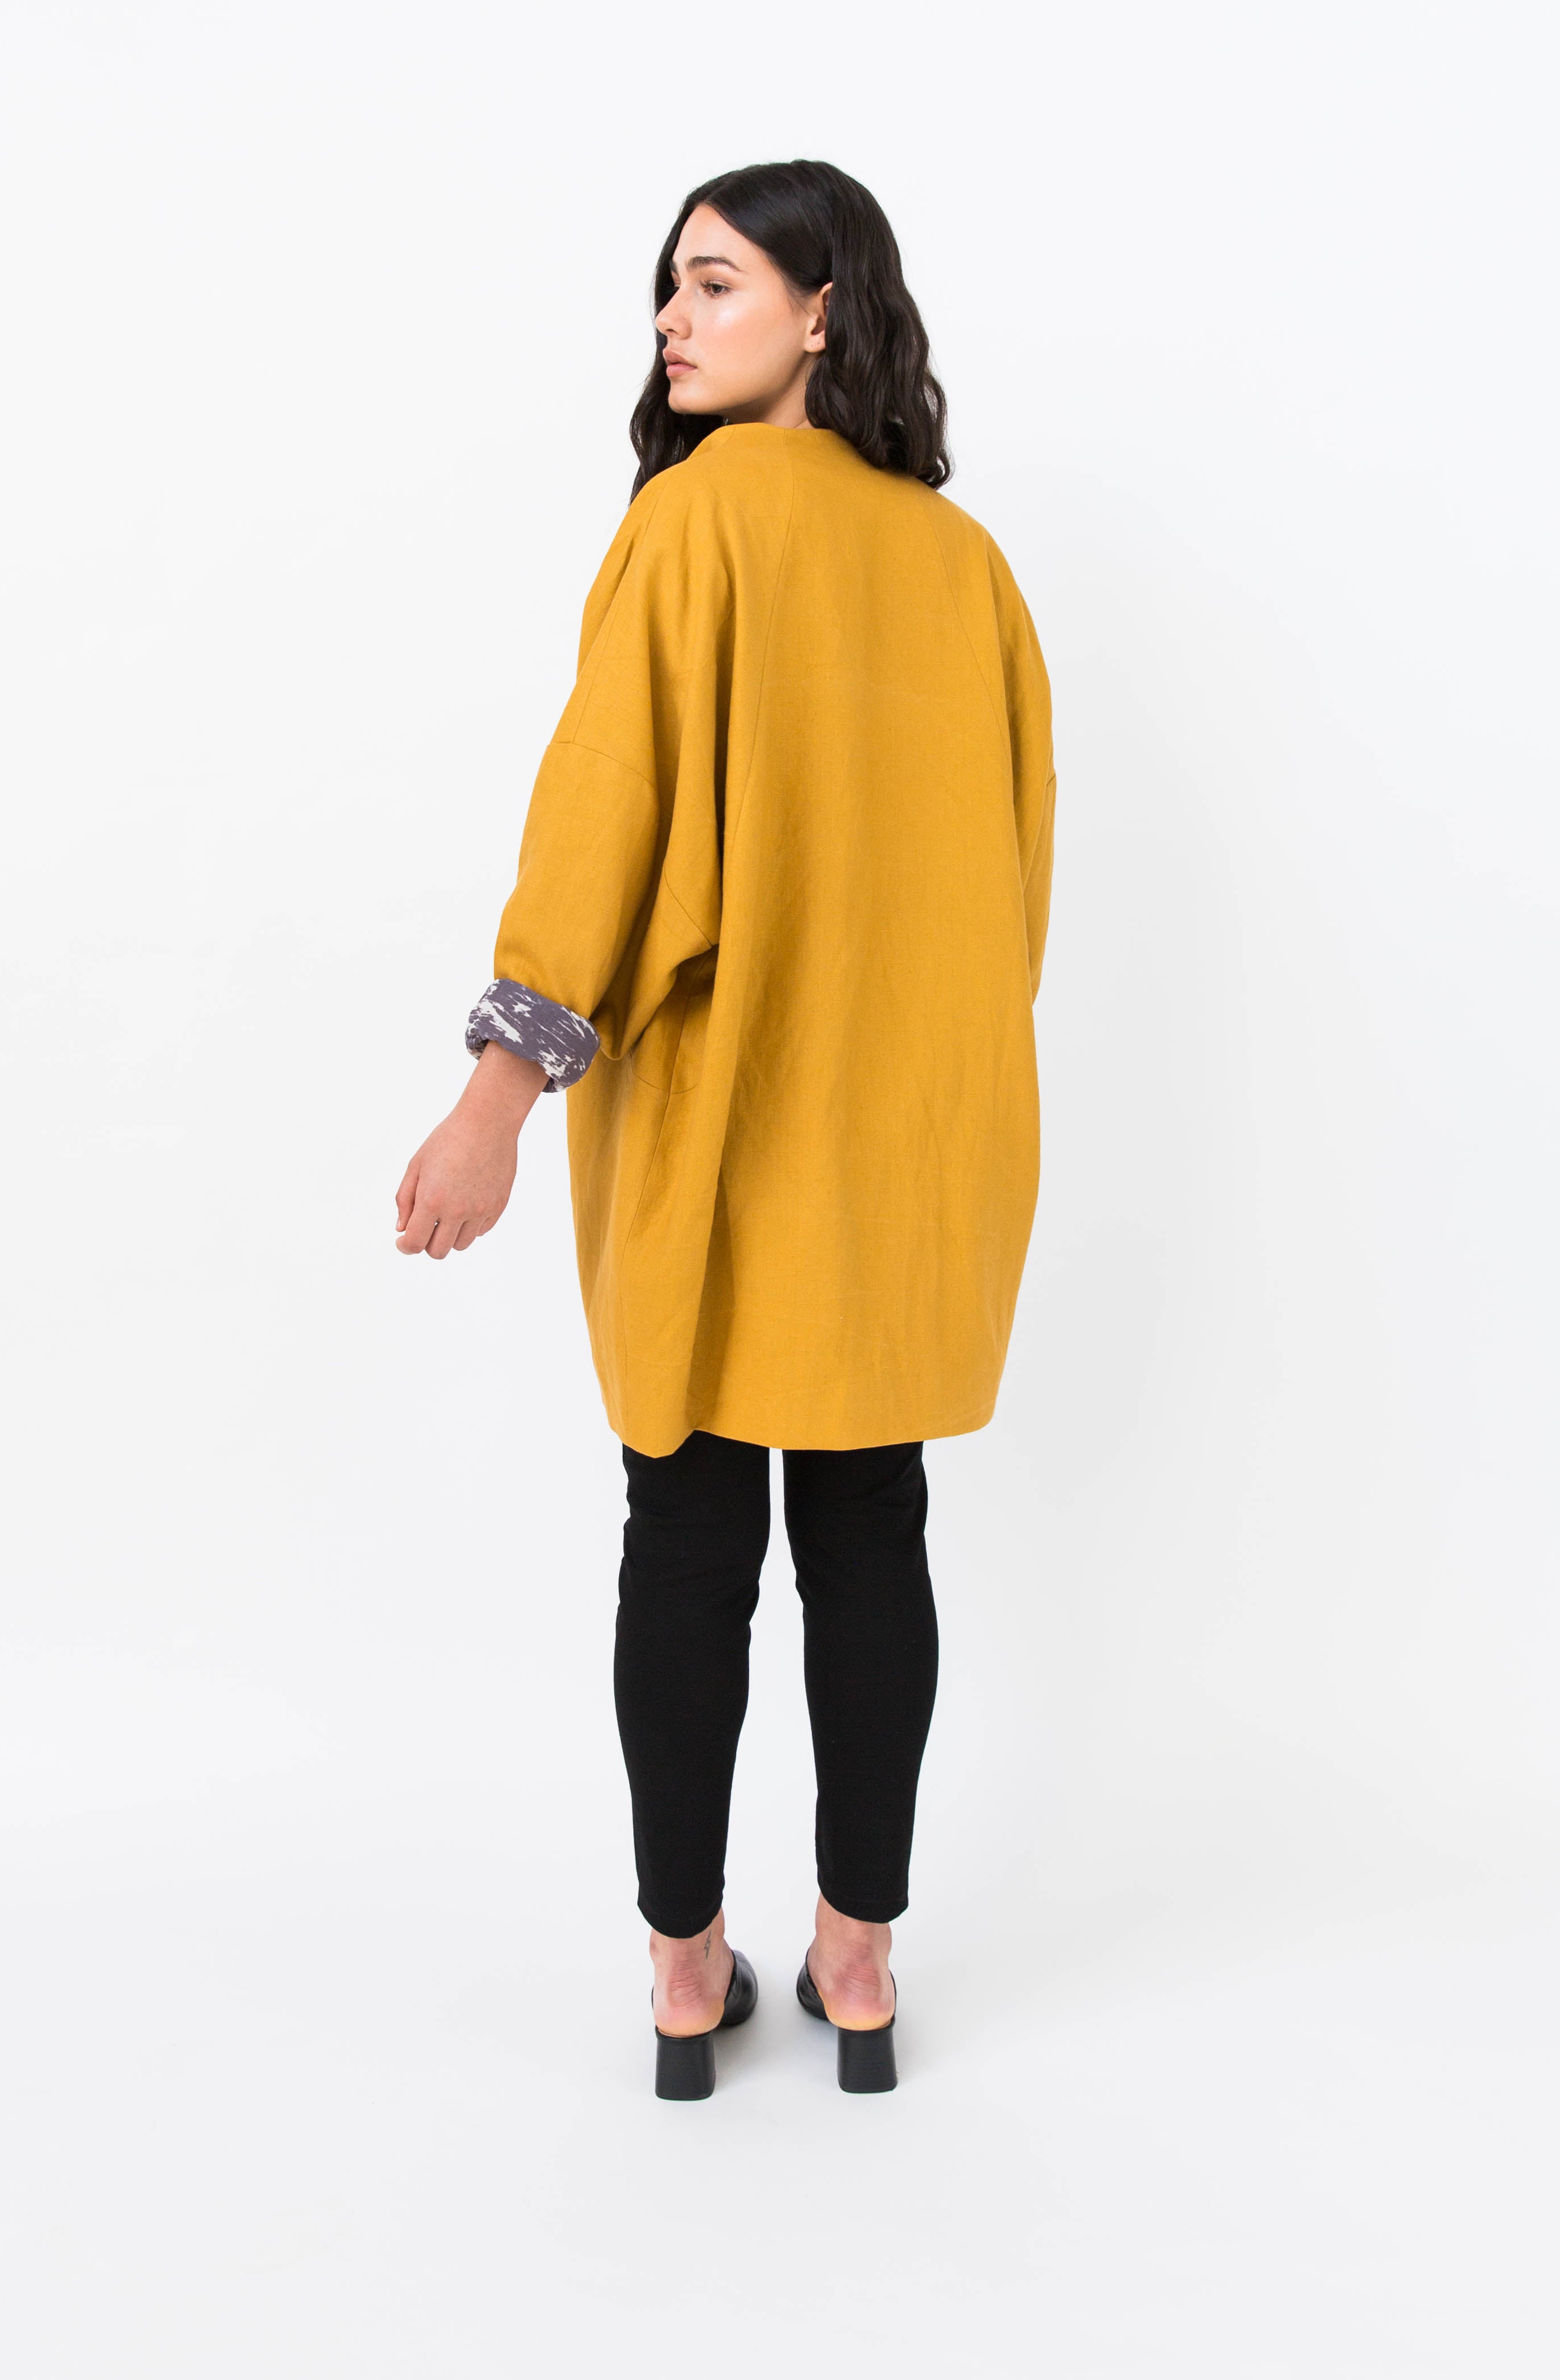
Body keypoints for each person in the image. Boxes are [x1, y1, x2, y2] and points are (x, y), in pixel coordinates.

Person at [395, 160, 1055, 2099]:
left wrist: (497, 1095)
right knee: (870, 1528)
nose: (674, 325)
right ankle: (861, 1960)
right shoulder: (969, 570)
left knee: (687, 1533)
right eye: (668, 294)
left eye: (714, 284)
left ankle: (688, 1974)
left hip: (719, 1126)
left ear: (824, 308)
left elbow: (599, 821)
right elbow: (1014, 890)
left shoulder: (691, 523)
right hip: (908, 1141)